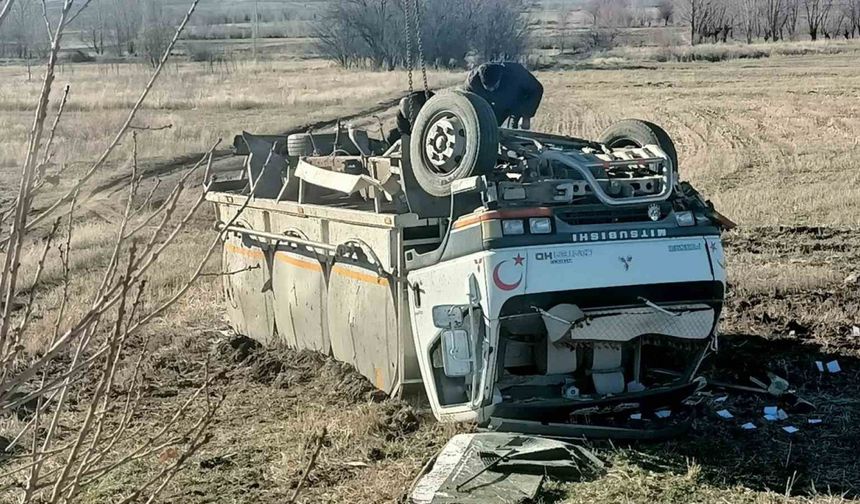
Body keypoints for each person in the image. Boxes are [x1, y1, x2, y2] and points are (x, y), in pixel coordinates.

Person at [465, 62, 544, 129]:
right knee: (489, 129)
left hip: (517, 101)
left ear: (500, 78)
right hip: (493, 106)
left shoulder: (516, 72)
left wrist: (527, 115)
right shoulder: (472, 82)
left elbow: (537, 89)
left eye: (494, 86)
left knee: (516, 132)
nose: (491, 90)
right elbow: (468, 103)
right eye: (487, 87)